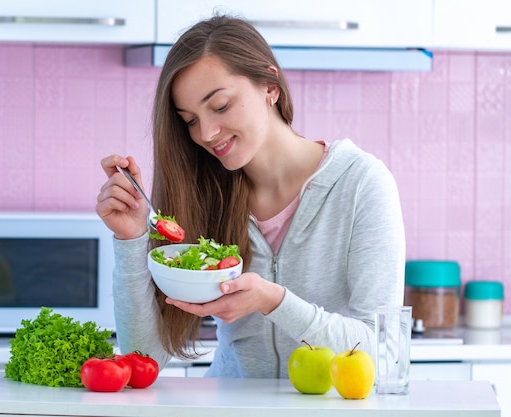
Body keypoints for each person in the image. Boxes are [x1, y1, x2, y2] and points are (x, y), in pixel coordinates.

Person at [96, 15, 405, 378]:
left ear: (269, 86)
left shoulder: (361, 184)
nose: (207, 133)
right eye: (190, 120)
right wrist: (131, 239)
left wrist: (274, 302)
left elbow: (383, 355)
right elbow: (145, 356)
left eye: (221, 106)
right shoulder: (204, 192)